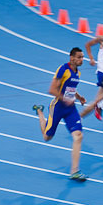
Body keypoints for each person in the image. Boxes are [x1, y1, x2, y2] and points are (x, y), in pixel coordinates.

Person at [32, 47, 88, 181]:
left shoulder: (78, 73)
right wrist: (64, 99)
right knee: (47, 137)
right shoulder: (63, 69)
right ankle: (40, 112)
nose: (82, 60)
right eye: (79, 57)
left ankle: (74, 171)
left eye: (82, 57)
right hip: (57, 107)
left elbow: (71, 88)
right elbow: (52, 89)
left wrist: (78, 97)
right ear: (72, 58)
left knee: (78, 136)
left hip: (70, 109)